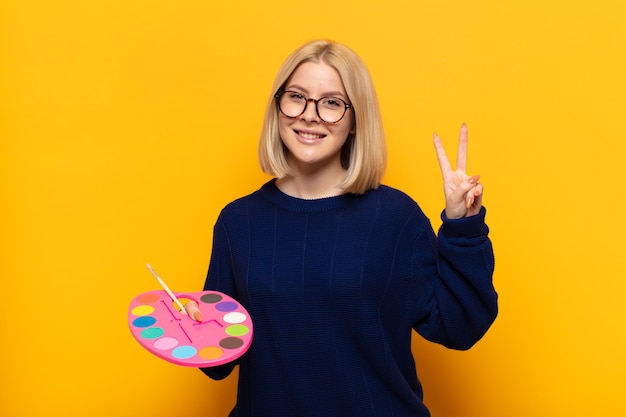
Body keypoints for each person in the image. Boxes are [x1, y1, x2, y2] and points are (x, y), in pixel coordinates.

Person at [184, 39, 498, 417]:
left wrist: (463, 226)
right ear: (277, 107)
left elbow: (459, 328)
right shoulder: (238, 222)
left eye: (332, 103)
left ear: (354, 121)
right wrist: (190, 328)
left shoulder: (396, 218)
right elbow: (216, 364)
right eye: (296, 96)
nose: (310, 115)